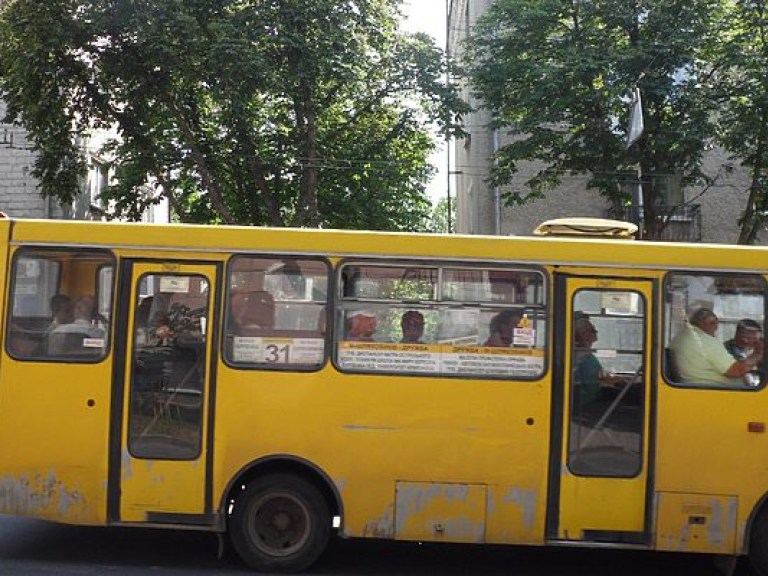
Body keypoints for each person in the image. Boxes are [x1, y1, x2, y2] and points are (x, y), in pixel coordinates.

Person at [670, 308, 763, 386]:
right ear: (705, 323)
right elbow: (735, 370)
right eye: (714, 324)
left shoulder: (681, 336)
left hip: (699, 387)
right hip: (713, 391)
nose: (715, 329)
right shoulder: (703, 341)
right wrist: (758, 353)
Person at [573, 314, 625, 406]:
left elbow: (600, 376)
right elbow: (596, 379)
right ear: (583, 335)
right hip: (588, 399)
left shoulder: (579, 354)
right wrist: (619, 381)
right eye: (592, 331)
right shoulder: (584, 357)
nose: (596, 333)